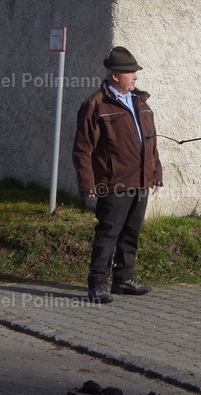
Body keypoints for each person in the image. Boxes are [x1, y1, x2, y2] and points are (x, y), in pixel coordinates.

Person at [73, 46, 163, 304]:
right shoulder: (95, 105)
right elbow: (82, 148)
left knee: (131, 232)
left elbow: (151, 142)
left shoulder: (140, 102)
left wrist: (156, 173)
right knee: (108, 234)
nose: (135, 77)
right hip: (113, 183)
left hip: (141, 181)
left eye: (135, 72)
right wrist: (87, 183)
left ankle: (124, 280)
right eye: (130, 73)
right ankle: (97, 284)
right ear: (115, 75)